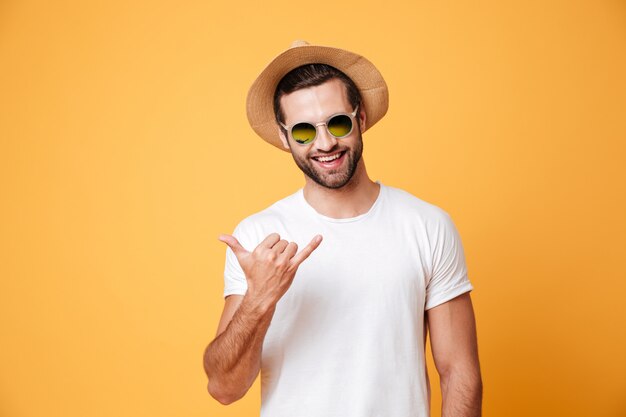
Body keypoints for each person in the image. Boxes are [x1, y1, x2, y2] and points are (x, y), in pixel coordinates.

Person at [203, 40, 483, 417]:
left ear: (361, 118)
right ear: (285, 138)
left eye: (337, 122)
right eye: (303, 131)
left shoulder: (427, 225)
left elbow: (460, 373)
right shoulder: (258, 237)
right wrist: (258, 299)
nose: (325, 143)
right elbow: (224, 388)